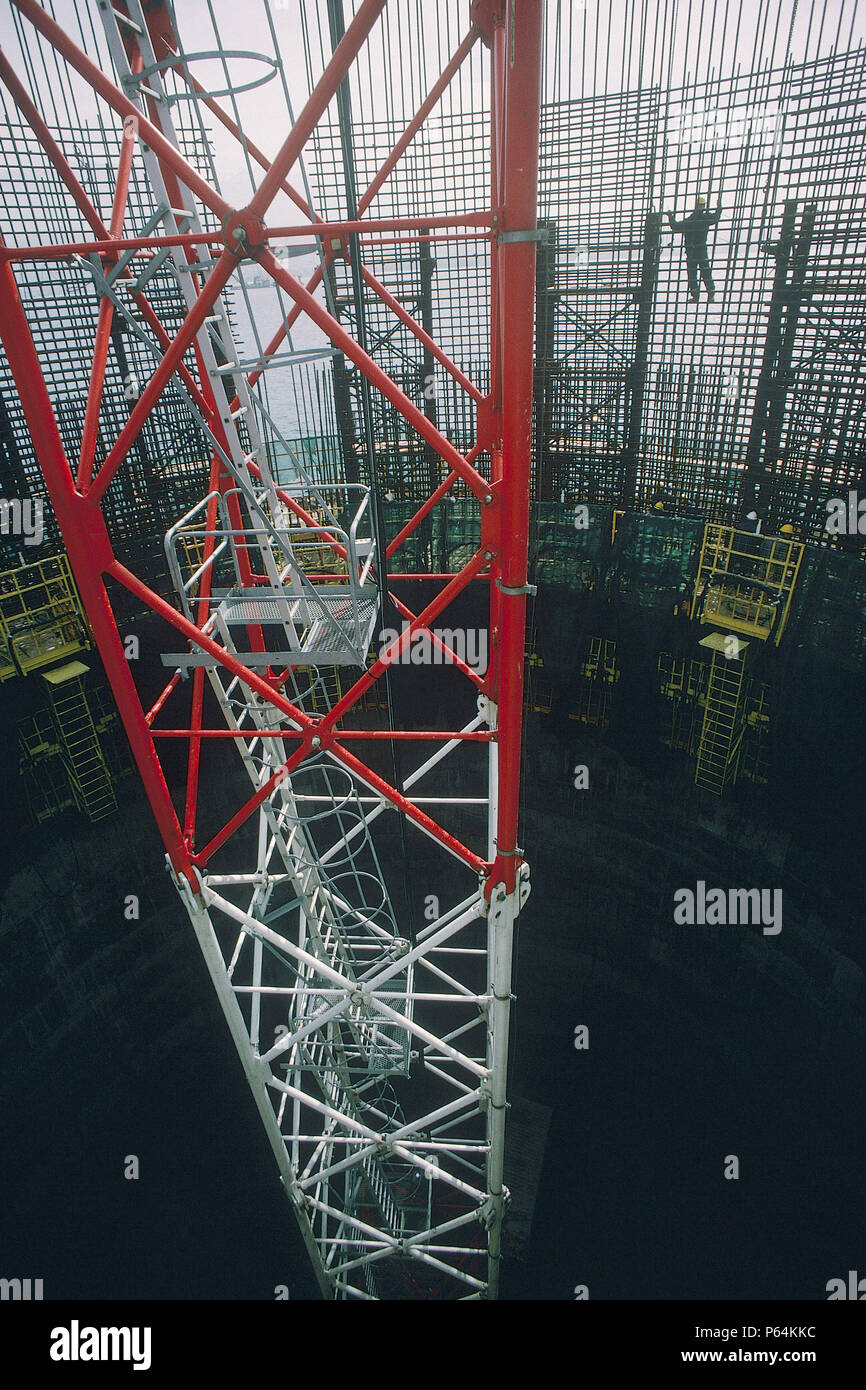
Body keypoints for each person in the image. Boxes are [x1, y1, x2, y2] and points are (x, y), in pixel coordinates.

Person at [667, 196, 721, 302]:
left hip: (692, 251)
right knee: (704, 272)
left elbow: (675, 226)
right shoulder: (704, 218)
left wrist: (670, 216)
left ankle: (697, 296)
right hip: (700, 250)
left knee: (693, 274)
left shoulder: (690, 220)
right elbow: (715, 217)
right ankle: (710, 294)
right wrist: (719, 207)